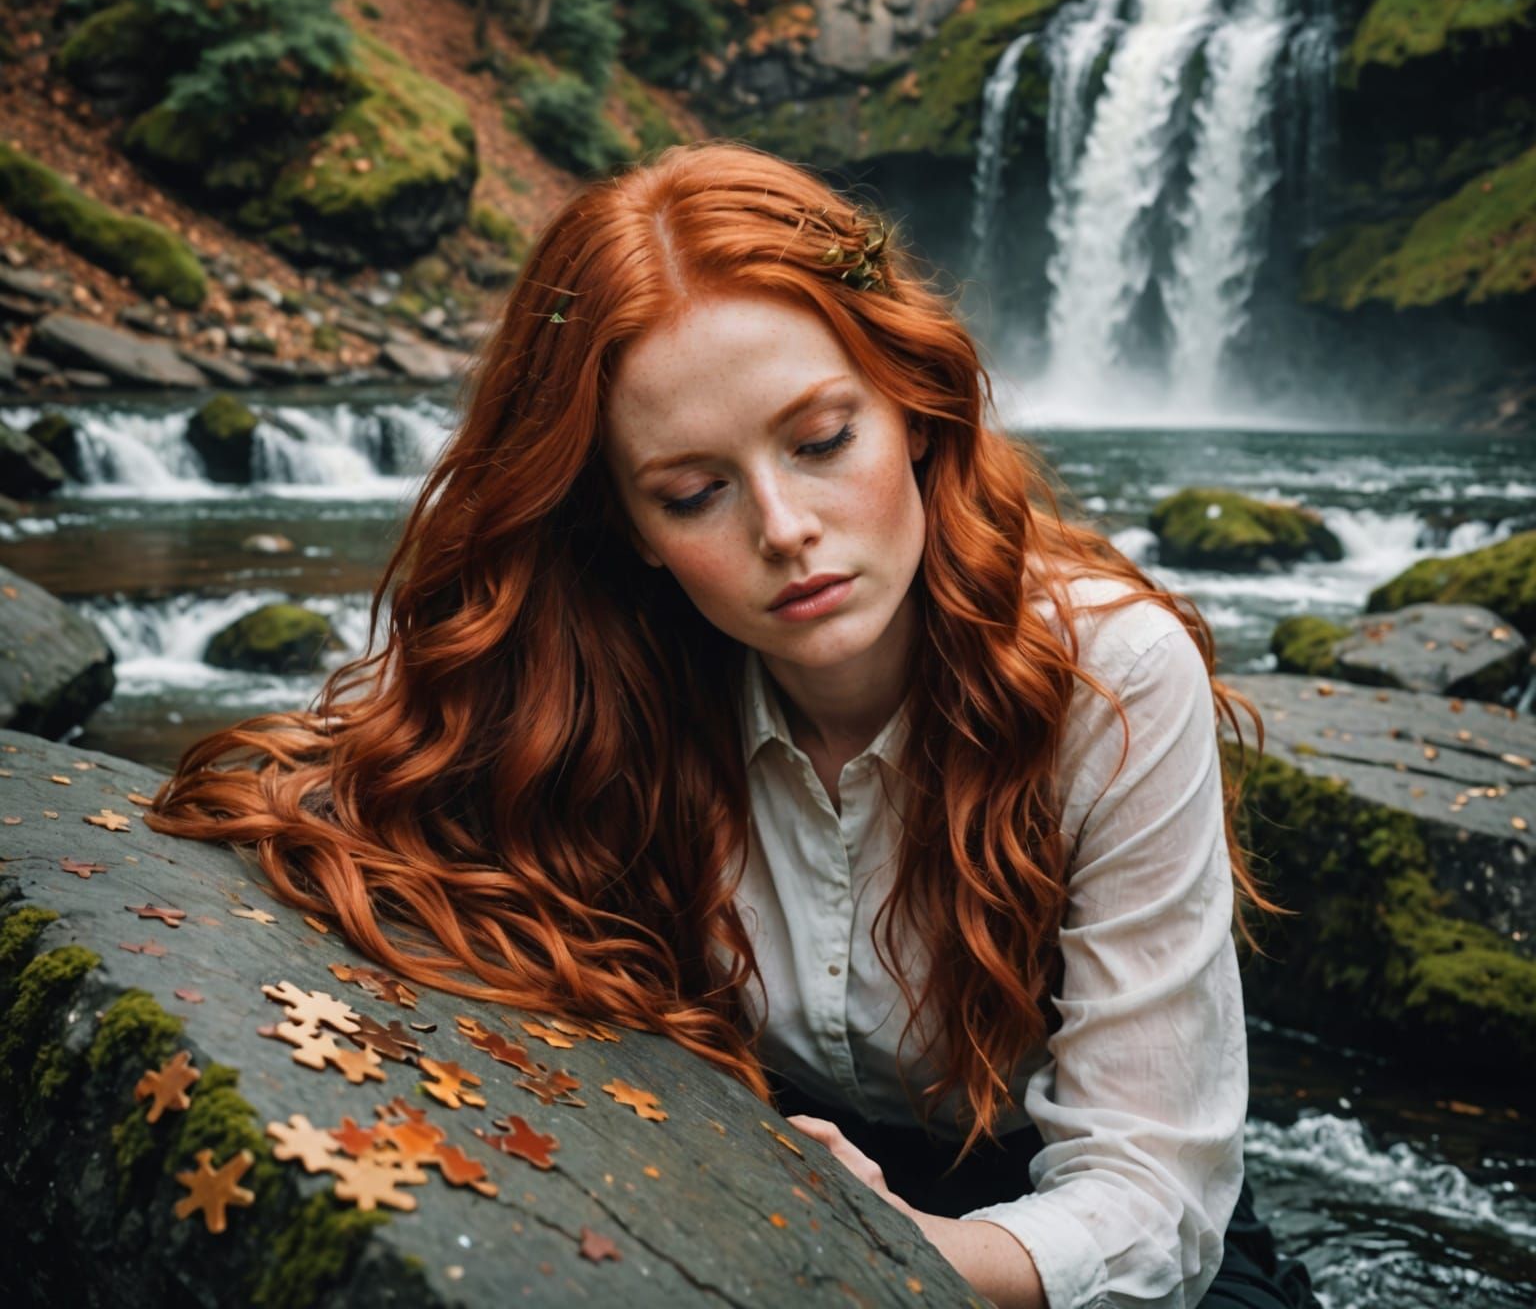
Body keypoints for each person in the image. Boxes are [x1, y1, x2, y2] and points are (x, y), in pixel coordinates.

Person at [147, 138, 1322, 1309]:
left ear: (913, 407)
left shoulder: (1107, 675)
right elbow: (339, 811)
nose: (783, 527)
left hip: (1082, 1238)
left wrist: (891, 1251)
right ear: (630, 528)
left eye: (821, 442)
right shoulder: (598, 675)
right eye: (693, 492)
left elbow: (1152, 1201)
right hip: (769, 1167)